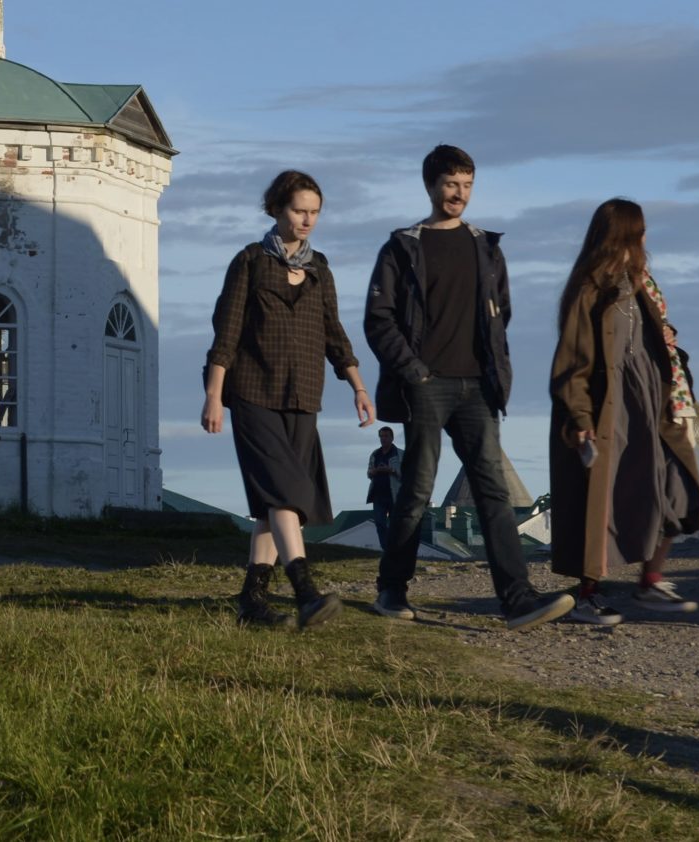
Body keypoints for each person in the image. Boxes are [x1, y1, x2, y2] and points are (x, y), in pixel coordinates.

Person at [362, 146, 573, 630]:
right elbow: (379, 320)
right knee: (415, 491)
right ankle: (391, 590)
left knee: (492, 491)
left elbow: (502, 314)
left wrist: (495, 373)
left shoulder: (486, 247)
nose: (459, 194)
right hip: (425, 385)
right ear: (431, 186)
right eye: (451, 184)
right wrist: (414, 371)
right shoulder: (402, 246)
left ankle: (517, 599)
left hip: (478, 387)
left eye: (467, 185)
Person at [203, 169, 375, 629]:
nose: (307, 220)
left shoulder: (321, 270)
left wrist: (358, 386)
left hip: (303, 398)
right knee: (286, 495)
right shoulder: (250, 262)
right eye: (299, 210)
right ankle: (305, 591)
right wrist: (213, 396)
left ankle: (251, 601)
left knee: (271, 507)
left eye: (314, 212)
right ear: (278, 209)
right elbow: (228, 332)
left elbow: (334, 334)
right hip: (253, 392)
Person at [546, 197, 699, 628]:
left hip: (657, 409)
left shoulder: (643, 286)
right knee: (600, 506)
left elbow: (663, 345)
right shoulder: (591, 289)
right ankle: (587, 596)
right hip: (610, 412)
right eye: (639, 232)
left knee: (676, 490)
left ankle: (650, 578)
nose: (645, 240)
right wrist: (579, 418)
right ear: (625, 236)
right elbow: (572, 361)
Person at [365, 426, 402, 551]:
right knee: (380, 523)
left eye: (386, 436)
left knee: (395, 525)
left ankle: (394, 549)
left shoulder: (400, 454)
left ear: (392, 438)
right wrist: (375, 471)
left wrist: (391, 470)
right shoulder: (375, 454)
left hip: (394, 495)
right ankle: (386, 549)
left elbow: (407, 475)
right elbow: (369, 473)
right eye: (381, 436)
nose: (383, 439)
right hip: (378, 494)